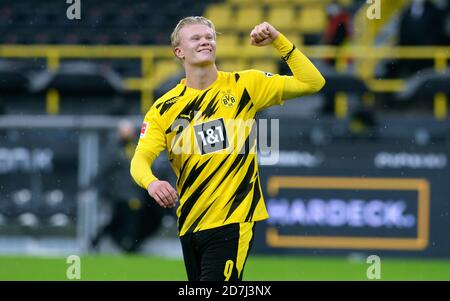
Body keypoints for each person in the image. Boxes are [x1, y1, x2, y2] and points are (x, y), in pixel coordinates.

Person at [130, 16, 325, 280]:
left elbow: (313, 82)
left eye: (209, 37)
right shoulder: (164, 108)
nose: (205, 41)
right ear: (179, 52)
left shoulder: (245, 84)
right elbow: (139, 159)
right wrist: (151, 183)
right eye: (196, 38)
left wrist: (279, 42)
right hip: (190, 222)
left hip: (233, 218)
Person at [91, 119, 164, 253]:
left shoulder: (136, 147)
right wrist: (104, 190)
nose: (127, 135)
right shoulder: (114, 150)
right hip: (121, 195)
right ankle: (126, 244)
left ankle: (128, 244)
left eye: (129, 132)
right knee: (122, 221)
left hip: (136, 194)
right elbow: (104, 171)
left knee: (128, 221)